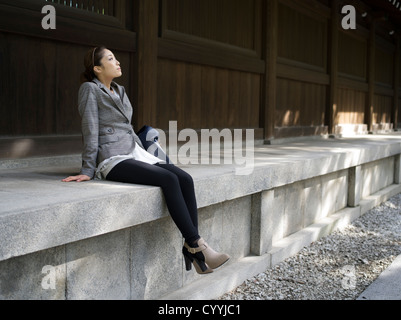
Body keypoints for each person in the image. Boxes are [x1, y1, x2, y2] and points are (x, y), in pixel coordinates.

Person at [62, 46, 229, 274]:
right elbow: (90, 129)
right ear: (97, 68)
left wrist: (145, 152)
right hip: (112, 157)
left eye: (116, 58)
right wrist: (88, 169)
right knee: (168, 179)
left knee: (184, 178)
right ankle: (198, 246)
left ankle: (192, 246)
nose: (118, 62)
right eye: (111, 59)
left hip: (135, 151)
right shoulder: (89, 89)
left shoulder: (120, 90)